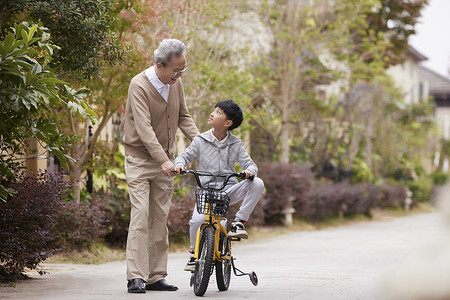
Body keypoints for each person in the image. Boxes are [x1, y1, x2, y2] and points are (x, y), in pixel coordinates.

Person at [123, 39, 199, 293]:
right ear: (159, 66)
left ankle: (156, 276)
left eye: (182, 69)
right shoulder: (139, 85)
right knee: (140, 216)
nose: (179, 75)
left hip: (166, 162)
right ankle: (136, 276)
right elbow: (143, 128)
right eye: (176, 70)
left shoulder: (175, 84)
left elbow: (184, 117)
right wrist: (163, 159)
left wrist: (203, 144)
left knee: (160, 219)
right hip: (140, 160)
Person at [174, 99, 265, 272]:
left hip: (228, 191)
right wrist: (179, 165)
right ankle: (194, 255)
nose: (212, 113)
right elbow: (184, 157)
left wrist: (250, 171)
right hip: (206, 192)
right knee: (197, 221)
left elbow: (250, 164)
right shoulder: (200, 140)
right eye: (214, 110)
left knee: (258, 183)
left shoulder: (236, 144)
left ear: (227, 123)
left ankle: (239, 223)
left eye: (218, 112)